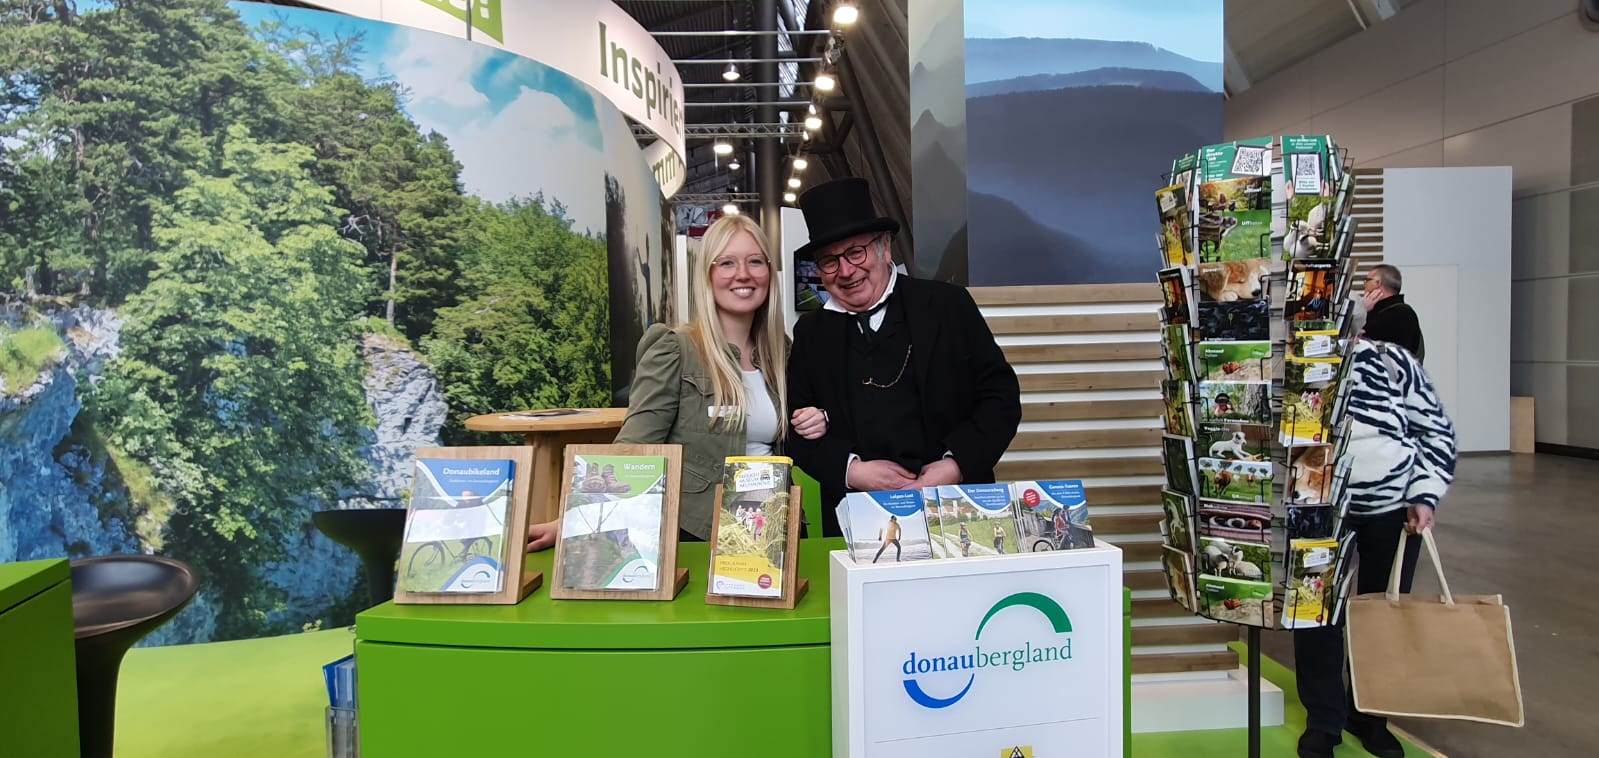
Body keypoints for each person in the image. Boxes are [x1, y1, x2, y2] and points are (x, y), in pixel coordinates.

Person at [526, 215, 829, 550]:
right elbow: (634, 447)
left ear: (769, 272)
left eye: (755, 261)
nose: (743, 274)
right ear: (708, 275)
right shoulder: (674, 349)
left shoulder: (780, 351)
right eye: (727, 262)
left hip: (771, 533)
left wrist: (818, 419)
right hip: (700, 536)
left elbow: (793, 436)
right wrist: (575, 518)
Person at [786, 178, 1022, 537]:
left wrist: (954, 465)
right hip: (858, 521)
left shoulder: (948, 306)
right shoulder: (811, 334)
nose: (846, 271)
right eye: (829, 261)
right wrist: (853, 471)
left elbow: (1000, 399)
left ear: (884, 248)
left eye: (855, 252)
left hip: (954, 506)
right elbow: (797, 430)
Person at [1294, 298, 1456, 758]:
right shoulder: (1300, 367)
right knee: (1316, 609)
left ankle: (1370, 715)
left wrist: (1423, 495)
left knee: (1384, 610)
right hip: (1320, 501)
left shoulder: (1395, 364)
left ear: (1359, 330)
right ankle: (1323, 719)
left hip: (1392, 507)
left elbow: (1434, 430)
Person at [1359, 264, 1425, 361]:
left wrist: (1361, 310)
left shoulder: (1397, 314)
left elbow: (1362, 341)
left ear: (1378, 283)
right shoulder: (1403, 312)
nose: (1364, 285)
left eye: (1367, 280)